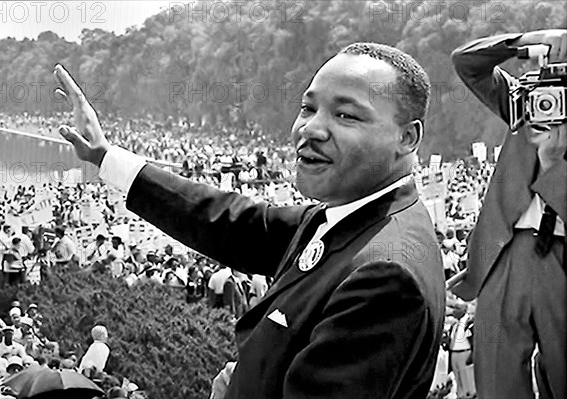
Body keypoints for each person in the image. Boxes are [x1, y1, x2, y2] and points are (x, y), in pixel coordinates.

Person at [54, 40, 445, 399]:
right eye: (308, 108)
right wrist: (105, 156)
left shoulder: (385, 277)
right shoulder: (348, 217)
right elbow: (227, 221)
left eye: (345, 115)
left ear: (407, 138)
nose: (310, 129)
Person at [451, 29, 566, 399]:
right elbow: (467, 64)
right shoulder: (528, 98)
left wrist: (553, 165)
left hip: (561, 257)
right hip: (506, 251)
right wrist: (530, 40)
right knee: (496, 378)